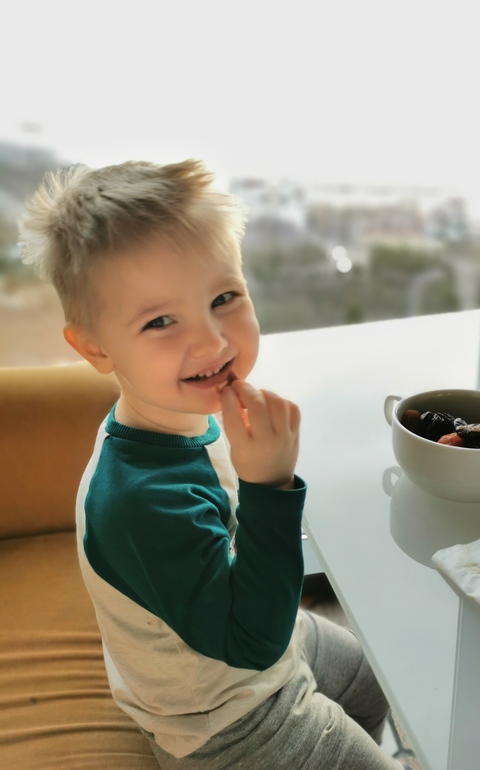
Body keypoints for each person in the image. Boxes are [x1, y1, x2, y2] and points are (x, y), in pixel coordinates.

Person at [18, 159, 407, 770]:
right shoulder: (140, 502)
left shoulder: (177, 408)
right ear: (94, 347)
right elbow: (251, 643)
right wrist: (270, 485)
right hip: (224, 720)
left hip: (247, 641)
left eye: (223, 298)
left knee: (368, 677)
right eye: (160, 321)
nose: (213, 342)